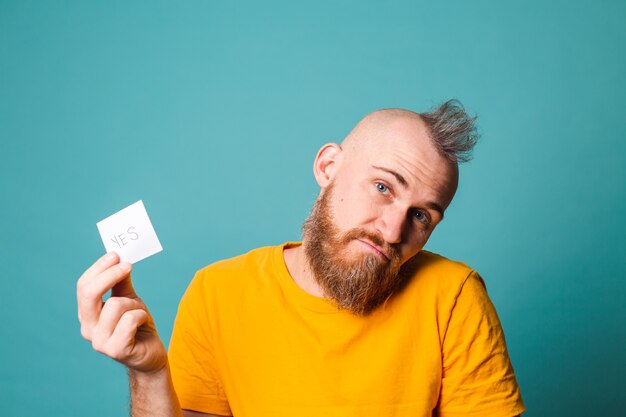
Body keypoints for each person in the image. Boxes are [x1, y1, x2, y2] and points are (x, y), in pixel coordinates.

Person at [77, 100, 525, 417]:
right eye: (383, 187)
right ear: (328, 167)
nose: (392, 232)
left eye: (422, 216)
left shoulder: (453, 296)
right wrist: (151, 373)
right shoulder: (217, 294)